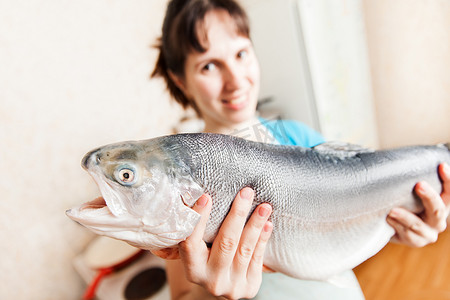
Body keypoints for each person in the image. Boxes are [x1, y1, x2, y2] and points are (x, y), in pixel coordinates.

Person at [150, 0, 450, 299]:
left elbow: (349, 222)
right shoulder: (180, 182)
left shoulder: (295, 135)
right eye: (209, 66)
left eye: (241, 53)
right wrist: (213, 292)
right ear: (181, 80)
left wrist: (404, 227)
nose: (235, 80)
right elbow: (181, 294)